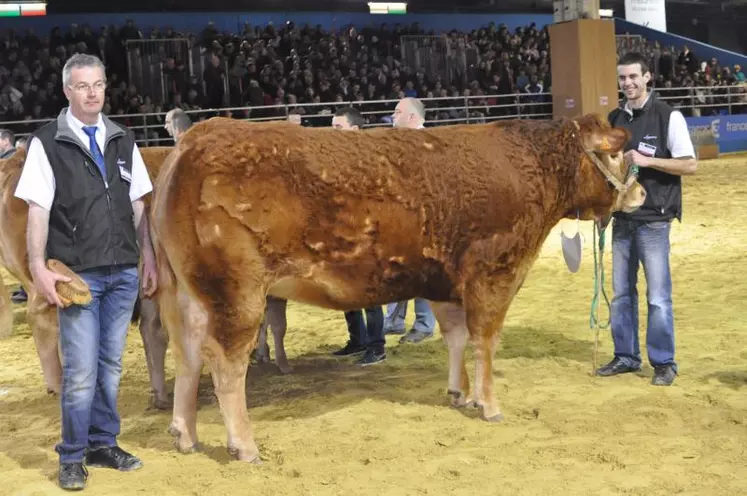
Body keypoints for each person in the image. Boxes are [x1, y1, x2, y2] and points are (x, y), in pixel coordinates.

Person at [14, 53, 158, 490]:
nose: (92, 92)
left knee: (111, 365)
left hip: (123, 273)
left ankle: (102, 441)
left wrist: (147, 257)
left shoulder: (123, 138)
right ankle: (72, 456)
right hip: (78, 276)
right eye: (82, 86)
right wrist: (37, 267)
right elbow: (37, 209)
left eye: (98, 84)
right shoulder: (47, 143)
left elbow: (139, 206)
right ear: (67, 91)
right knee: (79, 370)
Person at [595, 52, 697, 386]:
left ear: (648, 77)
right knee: (622, 294)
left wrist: (649, 162)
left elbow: (689, 164)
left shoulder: (669, 116)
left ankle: (663, 362)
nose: (628, 83)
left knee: (658, 297)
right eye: (622, 78)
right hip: (623, 221)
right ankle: (625, 356)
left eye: (633, 77)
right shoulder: (614, 117)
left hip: (655, 219)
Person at [329, 106, 386, 366]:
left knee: (370, 294)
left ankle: (377, 346)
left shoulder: (371, 160)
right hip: (342, 233)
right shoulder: (336, 161)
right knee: (346, 292)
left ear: (355, 129)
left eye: (337, 127)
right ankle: (358, 339)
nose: (333, 132)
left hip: (366, 234)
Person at [383, 97, 436, 344]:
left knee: (422, 272)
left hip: (425, 221)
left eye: (397, 112)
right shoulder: (399, 144)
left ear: (412, 117)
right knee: (396, 269)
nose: (393, 117)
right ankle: (393, 320)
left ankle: (424, 324)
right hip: (401, 218)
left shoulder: (430, 145)